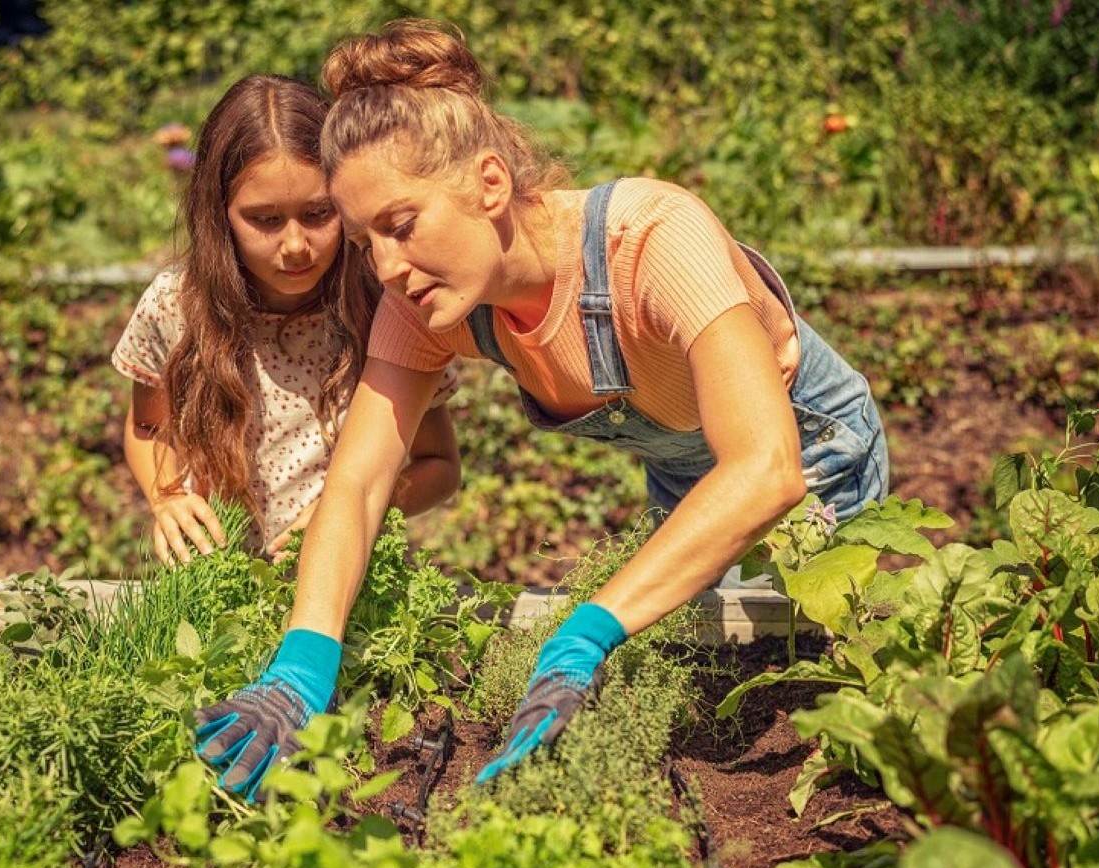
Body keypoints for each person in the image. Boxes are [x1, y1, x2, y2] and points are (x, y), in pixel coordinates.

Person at [193, 21, 888, 797]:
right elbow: (355, 486)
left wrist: (582, 630)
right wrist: (301, 664)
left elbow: (764, 467)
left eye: (401, 225)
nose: (386, 267)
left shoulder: (651, 238)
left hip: (810, 456)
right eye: (364, 242)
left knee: (838, 701)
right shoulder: (430, 305)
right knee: (713, 681)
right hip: (688, 479)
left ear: (490, 184)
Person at [113, 73, 461, 566]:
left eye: (319, 213)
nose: (296, 245)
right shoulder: (176, 306)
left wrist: (347, 514)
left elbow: (439, 466)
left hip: (349, 586)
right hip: (215, 586)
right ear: (218, 214)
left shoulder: (386, 308)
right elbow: (148, 429)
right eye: (265, 220)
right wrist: (165, 497)